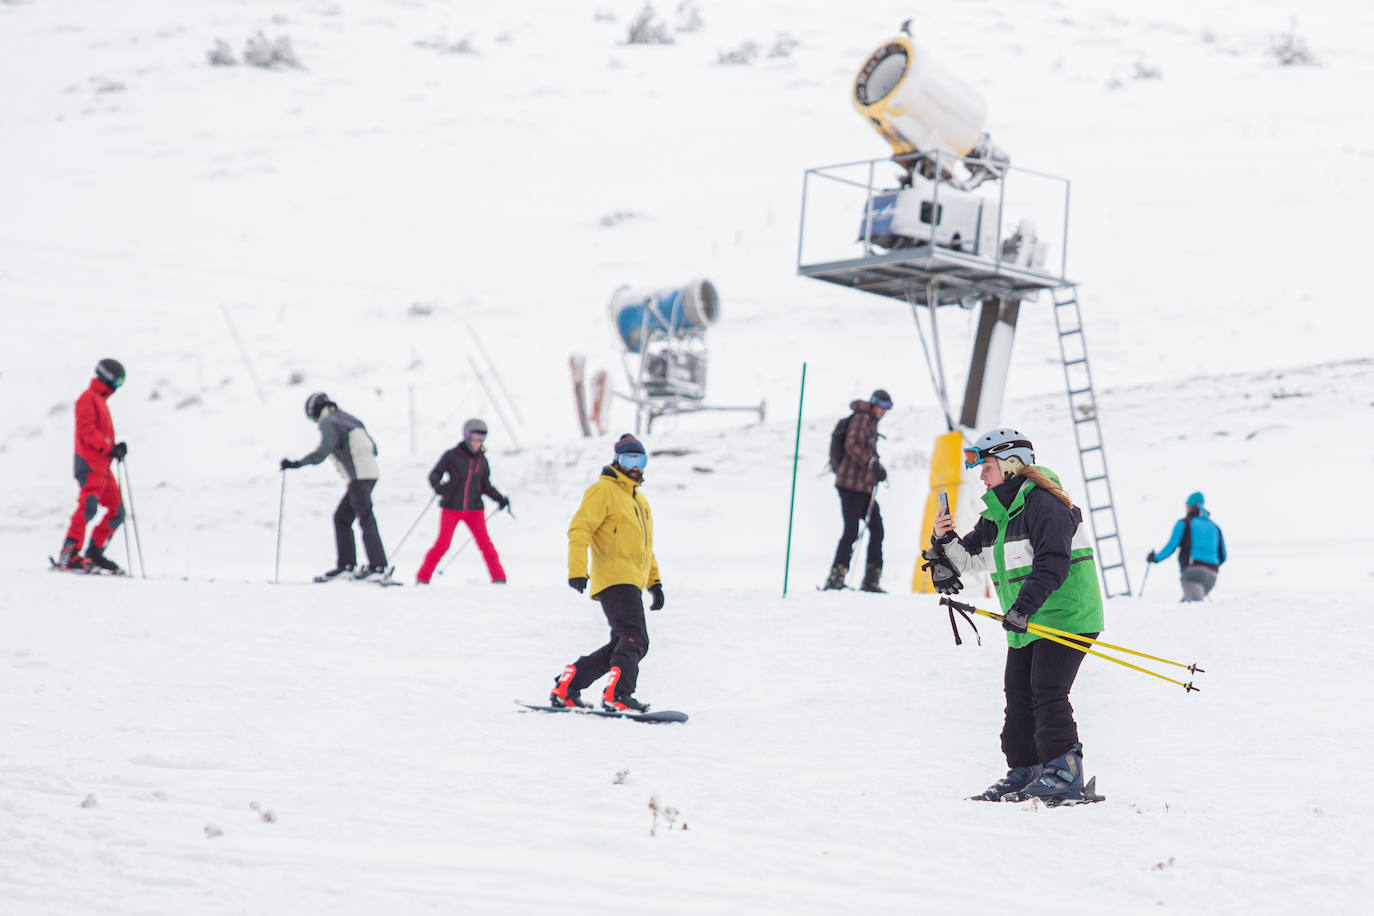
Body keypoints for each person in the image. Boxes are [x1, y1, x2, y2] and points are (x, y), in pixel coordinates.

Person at [922, 427, 1105, 804]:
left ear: (1011, 465)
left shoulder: (1048, 504)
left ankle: (1065, 774)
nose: (981, 476)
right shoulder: (998, 514)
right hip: (1027, 620)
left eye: (986, 467)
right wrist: (943, 545)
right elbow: (970, 559)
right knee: (1018, 695)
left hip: (1066, 614)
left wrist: (1022, 607)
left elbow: (1054, 563)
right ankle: (1027, 771)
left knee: (1048, 691)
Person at [549, 433, 664, 713]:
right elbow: (580, 529)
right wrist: (577, 570)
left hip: (631, 580)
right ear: (617, 461)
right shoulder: (603, 490)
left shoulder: (639, 500)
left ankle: (568, 686)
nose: (635, 466)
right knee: (635, 638)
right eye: (629, 459)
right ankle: (619, 694)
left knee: (621, 643)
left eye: (641, 460)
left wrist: (655, 583)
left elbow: (644, 548)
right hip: (614, 578)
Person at [280, 392, 389, 580]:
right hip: (370, 474)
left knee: (363, 519)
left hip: (357, 476)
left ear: (314, 410)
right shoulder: (350, 419)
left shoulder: (329, 422)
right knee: (343, 518)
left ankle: (376, 567)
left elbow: (322, 452)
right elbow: (374, 448)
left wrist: (297, 463)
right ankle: (351, 565)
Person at [415, 418, 510, 584]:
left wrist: (500, 499)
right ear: (466, 436)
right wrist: (440, 487)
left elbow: (485, 485)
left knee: (486, 544)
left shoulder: (482, 460)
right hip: (451, 507)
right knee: (443, 545)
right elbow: (434, 475)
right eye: (475, 437)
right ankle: (423, 578)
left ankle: (499, 578)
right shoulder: (452, 455)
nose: (478, 442)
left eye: (482, 438)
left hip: (475, 509)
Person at [58, 359, 129, 573]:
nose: (118, 385)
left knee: (117, 511)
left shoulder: (101, 402)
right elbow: (88, 431)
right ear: (107, 376)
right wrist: (109, 448)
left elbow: (101, 436)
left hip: (103, 469)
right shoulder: (87, 399)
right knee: (87, 508)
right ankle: (69, 553)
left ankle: (95, 552)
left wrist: (115, 448)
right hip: (89, 464)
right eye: (118, 380)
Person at [822, 388, 892, 592]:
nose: (885, 411)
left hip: (863, 487)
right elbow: (852, 445)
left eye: (888, 408)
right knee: (852, 531)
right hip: (851, 485)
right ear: (873, 404)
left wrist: (877, 468)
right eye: (883, 406)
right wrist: (872, 463)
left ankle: (869, 578)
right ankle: (837, 577)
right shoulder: (862, 419)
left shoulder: (870, 422)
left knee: (876, 529)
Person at [1147, 492, 1226, 602]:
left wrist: (1155, 558)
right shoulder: (1215, 527)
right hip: (1212, 576)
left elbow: (1170, 548)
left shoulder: (1184, 523)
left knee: (1193, 608)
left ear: (1189, 506)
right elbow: (1223, 556)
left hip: (1192, 573)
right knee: (1188, 605)